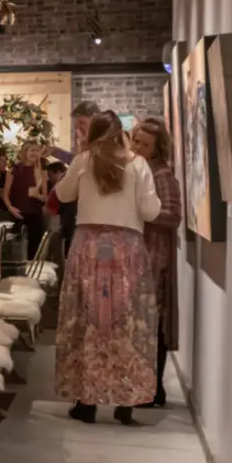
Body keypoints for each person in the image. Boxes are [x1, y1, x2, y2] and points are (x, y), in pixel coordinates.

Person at [55, 111, 162, 425]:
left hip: (88, 246)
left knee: (88, 321)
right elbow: (151, 211)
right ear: (121, 133)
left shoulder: (83, 161)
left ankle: (85, 401)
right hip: (126, 249)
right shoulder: (138, 164)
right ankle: (125, 400)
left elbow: (62, 194)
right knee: (125, 322)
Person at [130, 117, 183, 408]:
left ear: (157, 149)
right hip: (138, 256)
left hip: (155, 257)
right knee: (141, 324)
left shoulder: (161, 175)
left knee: (153, 324)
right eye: (136, 141)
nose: (137, 148)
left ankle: (153, 389)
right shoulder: (137, 171)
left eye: (144, 144)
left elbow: (173, 216)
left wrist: (141, 211)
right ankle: (146, 387)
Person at [52, 100, 101, 246]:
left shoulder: (101, 148)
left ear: (95, 119)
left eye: (81, 123)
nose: (78, 129)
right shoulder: (85, 148)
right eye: (76, 125)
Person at [5, 141, 49, 253]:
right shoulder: (13, 170)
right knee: (17, 248)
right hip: (18, 213)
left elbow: (45, 197)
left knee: (34, 248)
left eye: (37, 150)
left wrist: (37, 196)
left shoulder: (42, 172)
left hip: (35, 214)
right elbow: (5, 194)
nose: (35, 153)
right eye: (32, 150)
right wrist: (11, 208)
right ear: (25, 152)